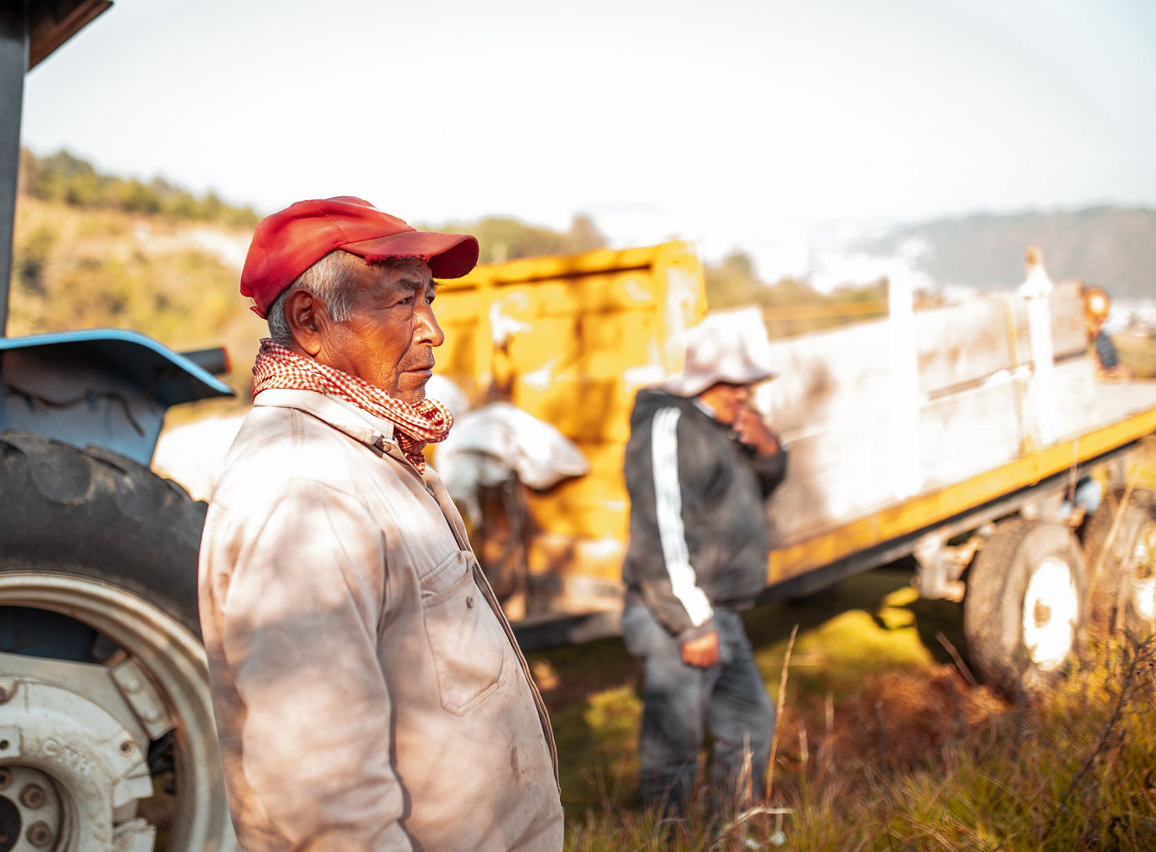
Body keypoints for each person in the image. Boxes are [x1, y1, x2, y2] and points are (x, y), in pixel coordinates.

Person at [198, 197, 563, 850]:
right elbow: (325, 799)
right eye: (403, 302)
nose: (432, 331)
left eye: (431, 301)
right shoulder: (301, 492)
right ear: (312, 322)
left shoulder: (371, 450)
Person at [619, 315, 787, 819]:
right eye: (734, 382)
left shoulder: (727, 425)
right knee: (675, 743)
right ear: (703, 381)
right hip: (679, 614)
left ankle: (734, 830)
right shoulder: (670, 424)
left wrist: (769, 449)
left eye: (748, 382)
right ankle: (658, 837)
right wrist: (692, 622)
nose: (745, 393)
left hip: (721, 611)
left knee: (751, 723)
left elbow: (756, 490)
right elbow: (661, 528)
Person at [1082, 284, 1133, 382]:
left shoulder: (1103, 341)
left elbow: (1113, 366)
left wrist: (1123, 373)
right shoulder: (1063, 344)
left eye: (1102, 322)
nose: (1098, 328)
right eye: (1095, 320)